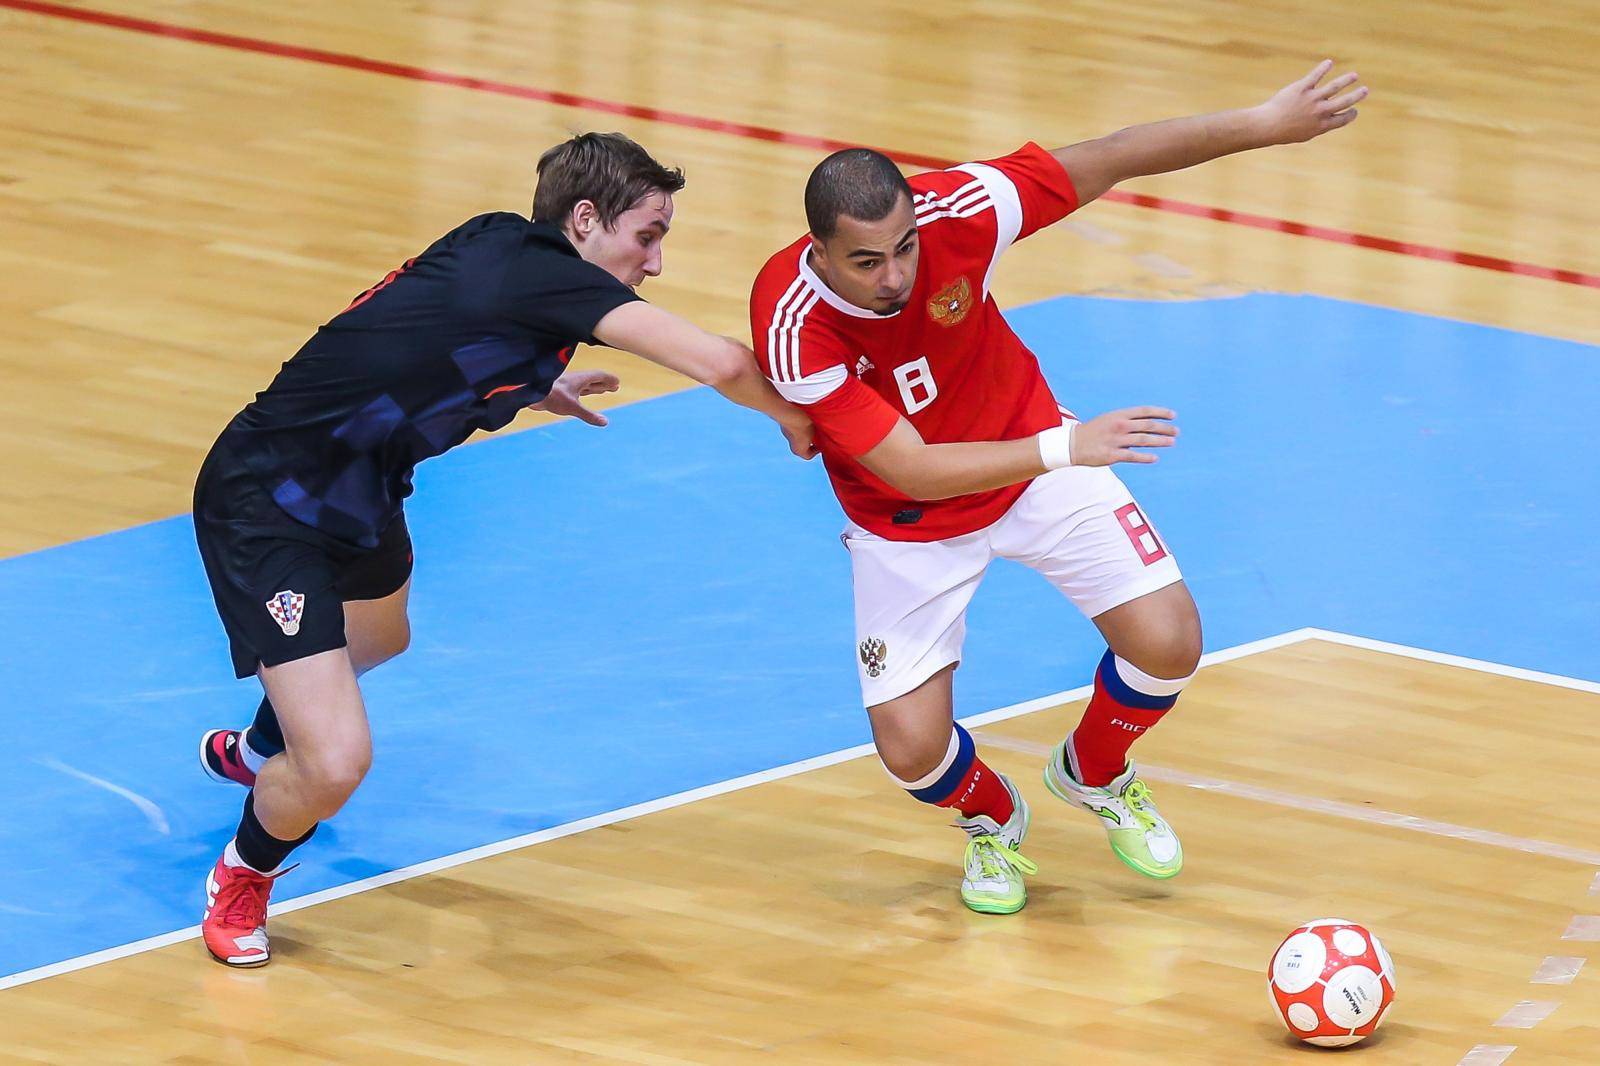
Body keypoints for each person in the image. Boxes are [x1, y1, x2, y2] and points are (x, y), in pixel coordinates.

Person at [749, 62, 1366, 913]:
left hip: (1031, 448)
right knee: (910, 750)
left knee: (1169, 640)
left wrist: (1265, 122)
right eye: (866, 262)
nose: (893, 276)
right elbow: (911, 468)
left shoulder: (961, 210)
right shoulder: (792, 322)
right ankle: (992, 820)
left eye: (904, 249)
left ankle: (1095, 771)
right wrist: (1064, 448)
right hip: (912, 521)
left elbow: (1111, 155)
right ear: (819, 251)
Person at [193, 132, 814, 966]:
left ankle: (262, 749)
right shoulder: (543, 277)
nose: (656, 261)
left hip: (362, 489)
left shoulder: (501, 247)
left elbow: (416, 333)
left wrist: (533, 385)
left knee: (380, 638)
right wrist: (801, 419)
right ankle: (243, 874)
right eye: (648, 234)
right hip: (267, 502)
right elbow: (721, 360)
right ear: (585, 218)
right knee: (338, 763)